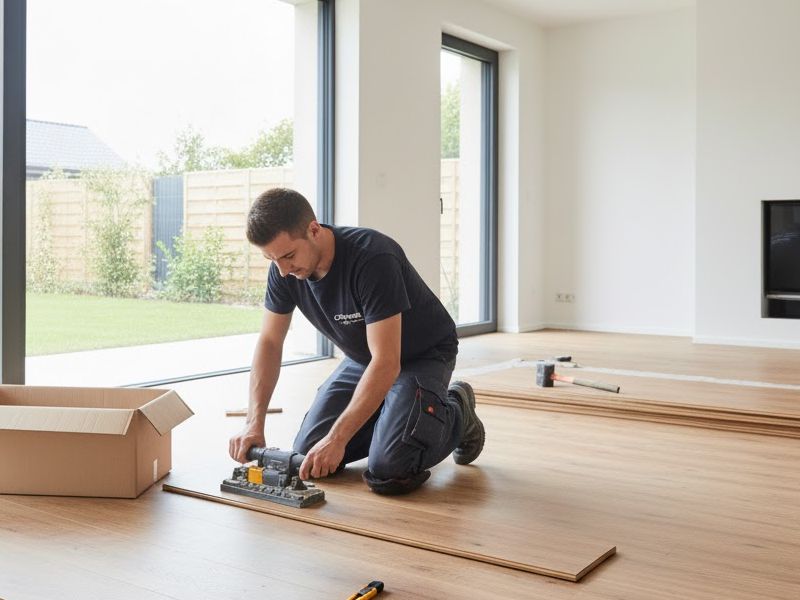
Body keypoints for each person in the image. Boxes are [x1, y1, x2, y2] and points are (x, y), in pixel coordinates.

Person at [228, 187, 485, 495]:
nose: (283, 270)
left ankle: (459, 412)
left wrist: (338, 438)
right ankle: (396, 416)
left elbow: (388, 362)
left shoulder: (372, 257)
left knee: (391, 470)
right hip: (364, 359)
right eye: (271, 259)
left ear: (314, 229)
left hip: (421, 354)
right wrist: (253, 422)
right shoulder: (283, 271)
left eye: (288, 256)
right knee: (309, 458)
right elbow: (270, 342)